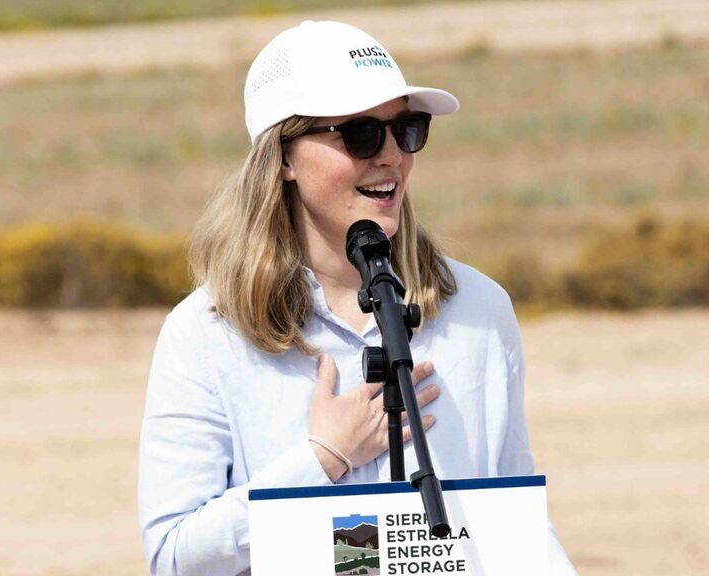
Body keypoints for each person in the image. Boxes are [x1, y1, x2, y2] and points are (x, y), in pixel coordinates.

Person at [138, 20, 578, 576]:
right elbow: (175, 557)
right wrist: (323, 456)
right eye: (361, 134)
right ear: (283, 158)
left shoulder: (481, 311)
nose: (392, 155)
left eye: (408, 129)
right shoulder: (205, 333)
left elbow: (517, 527)